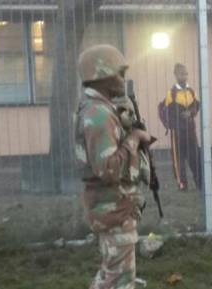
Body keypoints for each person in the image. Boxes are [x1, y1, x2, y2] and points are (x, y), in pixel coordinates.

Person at [74, 44, 152, 289]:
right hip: (112, 207)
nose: (123, 79)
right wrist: (134, 138)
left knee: (113, 275)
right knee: (118, 279)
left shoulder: (102, 110)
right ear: (103, 76)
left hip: (114, 207)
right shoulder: (97, 115)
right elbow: (108, 168)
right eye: (119, 73)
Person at [158, 63, 202, 191]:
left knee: (195, 156)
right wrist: (169, 124)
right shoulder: (171, 93)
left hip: (190, 130)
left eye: (186, 73)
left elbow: (196, 105)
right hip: (177, 131)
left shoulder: (191, 91)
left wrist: (191, 112)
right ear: (176, 75)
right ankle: (182, 185)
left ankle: (200, 183)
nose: (184, 76)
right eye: (182, 74)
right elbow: (162, 110)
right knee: (179, 160)